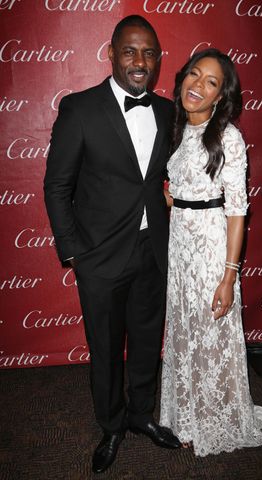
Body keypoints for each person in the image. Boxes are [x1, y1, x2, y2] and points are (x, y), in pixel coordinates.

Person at [44, 15, 180, 474]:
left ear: (158, 60)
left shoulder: (167, 111)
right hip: (99, 257)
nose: (140, 62)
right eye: (130, 51)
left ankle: (141, 415)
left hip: (152, 250)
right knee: (104, 348)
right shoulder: (79, 109)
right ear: (111, 54)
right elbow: (57, 186)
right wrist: (73, 252)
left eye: (149, 53)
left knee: (146, 340)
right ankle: (112, 424)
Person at [160, 48, 262, 457]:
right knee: (185, 331)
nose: (198, 86)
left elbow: (237, 209)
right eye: (194, 74)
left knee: (211, 334)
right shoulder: (175, 128)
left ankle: (216, 417)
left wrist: (229, 276)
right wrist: (172, 198)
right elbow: (182, 188)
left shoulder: (228, 137)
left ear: (221, 97)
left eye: (211, 82)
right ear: (182, 79)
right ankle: (186, 414)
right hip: (179, 248)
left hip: (210, 253)